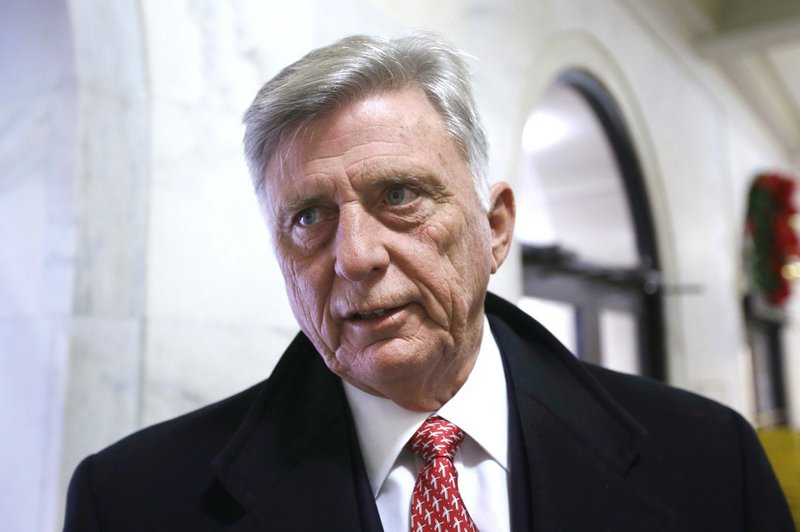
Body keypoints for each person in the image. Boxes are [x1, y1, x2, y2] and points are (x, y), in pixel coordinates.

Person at [64, 33, 794, 531]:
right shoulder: (132, 502)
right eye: (309, 217)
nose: (354, 256)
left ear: (496, 226)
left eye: (400, 197)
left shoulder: (708, 463)